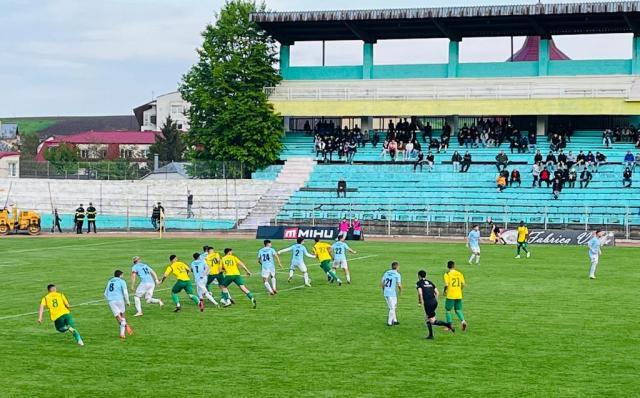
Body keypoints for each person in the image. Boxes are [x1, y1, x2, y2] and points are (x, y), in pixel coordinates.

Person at [416, 270, 453, 339]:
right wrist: (434, 300)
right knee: (427, 318)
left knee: (432, 320)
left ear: (419, 276)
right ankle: (431, 335)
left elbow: (420, 293)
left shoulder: (419, 283)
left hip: (428, 303)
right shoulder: (430, 282)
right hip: (434, 301)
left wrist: (420, 302)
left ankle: (447, 325)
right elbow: (437, 292)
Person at [104, 270, 133, 339]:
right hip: (120, 300)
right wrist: (128, 301)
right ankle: (124, 328)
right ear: (120, 275)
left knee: (118, 317)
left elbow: (105, 293)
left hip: (111, 301)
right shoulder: (122, 281)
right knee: (123, 316)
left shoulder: (110, 281)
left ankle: (122, 333)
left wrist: (109, 299)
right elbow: (125, 293)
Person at [444, 260, 467, 331]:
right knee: (458, 309)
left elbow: (446, 284)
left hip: (451, 294)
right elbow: (463, 284)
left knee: (448, 310)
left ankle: (449, 326)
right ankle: (463, 321)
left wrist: (444, 291)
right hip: (458, 294)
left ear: (448, 266)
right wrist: (460, 290)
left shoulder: (447, 274)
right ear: (454, 266)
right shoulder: (459, 273)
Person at [381, 261, 402, 326]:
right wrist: (401, 291)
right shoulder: (397, 274)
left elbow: (382, 283)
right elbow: (399, 285)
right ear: (397, 267)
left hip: (389, 292)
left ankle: (395, 320)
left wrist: (384, 290)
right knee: (392, 308)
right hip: (391, 293)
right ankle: (389, 322)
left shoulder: (386, 272)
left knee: (393, 306)